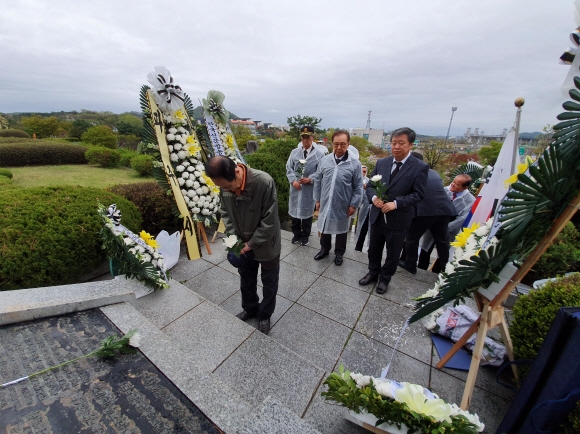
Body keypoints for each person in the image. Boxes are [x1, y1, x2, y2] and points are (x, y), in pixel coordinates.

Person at [205, 155, 281, 335]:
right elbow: (226, 213)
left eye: (228, 186)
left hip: (266, 243)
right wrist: (234, 239)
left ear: (237, 171)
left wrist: (252, 243)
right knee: (246, 278)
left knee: (269, 281)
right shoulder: (225, 185)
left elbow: (270, 221)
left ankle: (265, 315)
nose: (227, 190)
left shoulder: (264, 182)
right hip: (242, 242)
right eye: (222, 187)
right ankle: (250, 308)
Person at [358, 127, 429, 294]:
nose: (396, 147)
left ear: (411, 144)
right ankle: (373, 272)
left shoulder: (420, 167)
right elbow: (370, 186)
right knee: (374, 247)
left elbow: (418, 194)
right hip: (377, 215)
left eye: (401, 143)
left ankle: (385, 278)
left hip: (398, 218)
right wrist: (374, 198)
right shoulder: (382, 163)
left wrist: (396, 203)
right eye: (394, 143)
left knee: (393, 252)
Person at [398, 152, 457, 274]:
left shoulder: (413, 172)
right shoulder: (434, 173)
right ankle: (446, 270)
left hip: (425, 210)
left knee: (411, 238)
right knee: (442, 241)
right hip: (444, 210)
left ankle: (410, 265)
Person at [313, 129, 364, 266]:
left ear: (348, 144)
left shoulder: (354, 164)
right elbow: (318, 180)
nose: (339, 148)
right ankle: (324, 249)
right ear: (332, 144)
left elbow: (358, 186)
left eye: (342, 144)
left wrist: (354, 204)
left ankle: (339, 253)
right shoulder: (325, 160)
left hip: (343, 203)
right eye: (336, 144)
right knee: (324, 226)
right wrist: (317, 199)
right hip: (325, 200)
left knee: (341, 229)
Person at [418, 174, 476, 271]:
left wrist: (446, 227)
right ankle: (421, 267)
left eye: (457, 184)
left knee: (443, 249)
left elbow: (463, 218)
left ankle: (437, 270)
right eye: (453, 182)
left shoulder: (470, 200)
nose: (453, 185)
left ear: (465, 187)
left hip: (451, 227)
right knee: (426, 246)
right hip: (434, 222)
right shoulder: (443, 190)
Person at [286, 126, 326, 246]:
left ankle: (305, 236)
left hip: (309, 189)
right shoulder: (295, 152)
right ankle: (296, 235)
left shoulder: (319, 154)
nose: (305, 140)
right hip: (295, 188)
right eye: (303, 138)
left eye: (307, 137)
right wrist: (293, 181)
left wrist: (310, 179)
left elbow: (321, 171)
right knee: (295, 213)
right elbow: (289, 168)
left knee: (307, 214)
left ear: (312, 138)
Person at [354, 165, 370, 251]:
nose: (363, 173)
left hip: (365, 203)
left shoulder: (368, 181)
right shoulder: (355, 178)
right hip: (355, 202)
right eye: (362, 171)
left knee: (362, 220)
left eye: (364, 171)